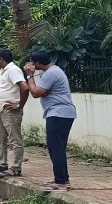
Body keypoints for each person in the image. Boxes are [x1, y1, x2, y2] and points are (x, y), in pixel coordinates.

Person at [26, 50, 77, 192]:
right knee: (56, 147)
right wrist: (41, 90)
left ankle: (60, 182)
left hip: (58, 114)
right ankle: (62, 179)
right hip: (60, 113)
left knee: (56, 148)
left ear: (37, 63)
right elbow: (43, 91)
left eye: (32, 63)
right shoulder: (51, 72)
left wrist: (30, 76)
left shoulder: (51, 73)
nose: (30, 65)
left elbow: (36, 93)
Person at [0, 49, 29, 177]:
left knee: (14, 138)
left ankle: (16, 167)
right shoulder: (4, 70)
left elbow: (24, 87)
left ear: (1, 59)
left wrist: (20, 105)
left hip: (10, 110)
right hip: (1, 109)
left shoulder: (13, 70)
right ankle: (2, 164)